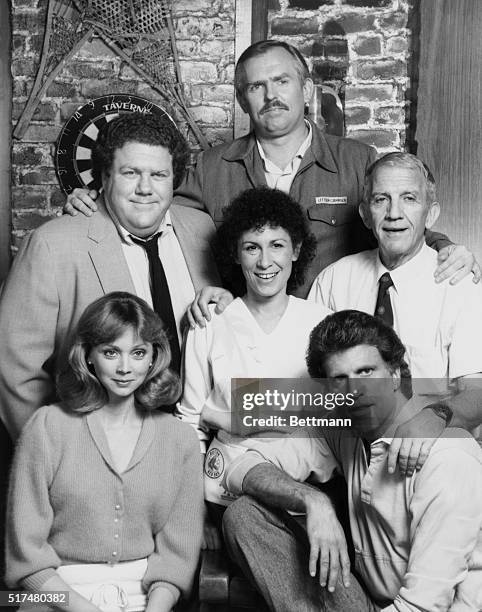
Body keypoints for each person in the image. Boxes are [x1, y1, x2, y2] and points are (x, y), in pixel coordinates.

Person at [64, 40, 478, 297]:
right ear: (243, 101)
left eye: (282, 82)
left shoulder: (357, 160)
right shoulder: (210, 168)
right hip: (244, 340)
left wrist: (444, 247)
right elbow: (149, 207)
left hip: (334, 341)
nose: (271, 95)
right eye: (256, 87)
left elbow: (398, 217)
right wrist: (98, 201)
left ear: (307, 90)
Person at [223, 310, 482, 612]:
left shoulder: (448, 457)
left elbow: (423, 606)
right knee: (244, 515)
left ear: (395, 374)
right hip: (373, 602)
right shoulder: (344, 430)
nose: (354, 390)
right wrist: (312, 500)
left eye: (366, 372)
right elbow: (239, 468)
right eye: (339, 379)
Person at [0, 112, 219, 441]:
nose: (145, 188)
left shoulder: (202, 230)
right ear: (104, 176)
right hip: (98, 452)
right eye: (130, 173)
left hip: (196, 444)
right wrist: (57, 459)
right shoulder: (52, 244)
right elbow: (14, 372)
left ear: (174, 179)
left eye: (158, 174)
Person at [5, 292, 204, 612]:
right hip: (57, 596)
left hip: (147, 600)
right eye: (111, 352)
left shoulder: (179, 438)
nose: (125, 367)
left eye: (138, 353)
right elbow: (26, 557)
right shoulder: (47, 427)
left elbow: (176, 556)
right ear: (88, 356)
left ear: (154, 357)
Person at [175, 187, 331, 543]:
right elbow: (189, 419)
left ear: (296, 250)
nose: (264, 262)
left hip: (307, 484)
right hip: (229, 491)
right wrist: (193, 510)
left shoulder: (321, 321)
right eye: (252, 247)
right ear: (236, 253)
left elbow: (333, 415)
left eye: (277, 245)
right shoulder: (210, 322)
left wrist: (223, 417)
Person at [309, 152, 482, 463]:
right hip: (349, 455)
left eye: (409, 199)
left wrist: (435, 416)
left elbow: (478, 393)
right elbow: (313, 385)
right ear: (364, 213)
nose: (394, 213)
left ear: (431, 215)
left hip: (432, 453)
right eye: (381, 200)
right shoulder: (333, 280)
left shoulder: (460, 286)